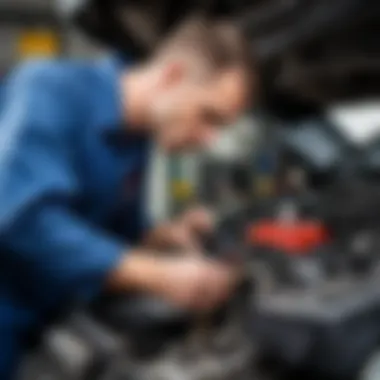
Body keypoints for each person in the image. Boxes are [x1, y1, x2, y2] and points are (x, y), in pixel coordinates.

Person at [0, 15, 255, 379]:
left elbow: (112, 232)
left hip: (50, 317)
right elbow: (19, 218)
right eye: (208, 117)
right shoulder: (49, 88)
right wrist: (159, 275)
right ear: (172, 76)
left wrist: (162, 236)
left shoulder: (136, 138)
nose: (209, 139)